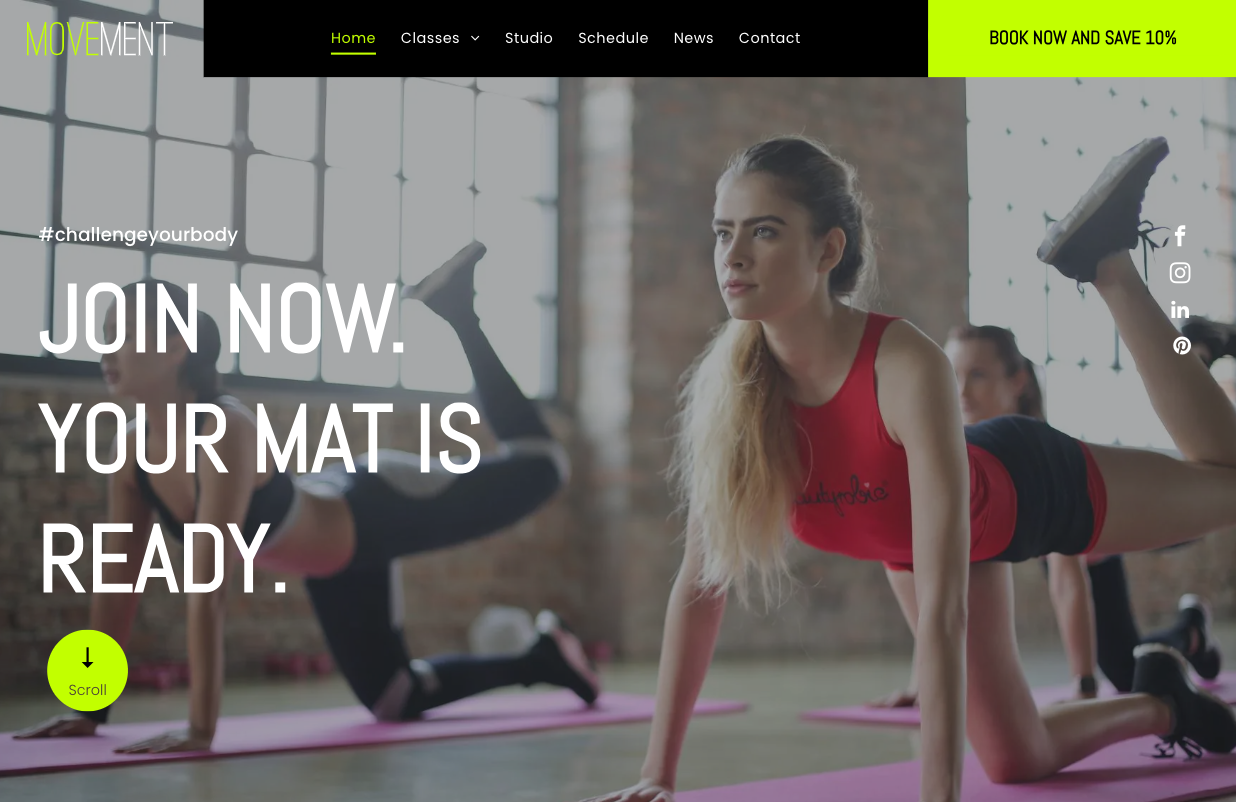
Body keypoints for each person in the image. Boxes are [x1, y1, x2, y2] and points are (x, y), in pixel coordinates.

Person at [580, 135, 1236, 802]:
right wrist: (656, 775)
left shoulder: (902, 363)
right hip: (912, 549)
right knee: (1016, 759)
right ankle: (1166, 701)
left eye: (765, 231)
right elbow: (699, 590)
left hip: (1025, 488)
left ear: (827, 249)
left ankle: (1110, 268)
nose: (734, 256)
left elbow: (944, 614)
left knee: (1229, 483)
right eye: (723, 233)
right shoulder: (735, 396)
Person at [14, 242, 600, 753]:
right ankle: (543, 659)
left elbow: (208, 586)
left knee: (544, 467)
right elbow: (119, 581)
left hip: (375, 506)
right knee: (396, 699)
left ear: (176, 345)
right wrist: (87, 708)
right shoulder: (134, 450)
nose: (104, 353)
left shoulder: (223, 427)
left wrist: (200, 728)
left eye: (122, 335)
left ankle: (458, 313)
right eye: (103, 337)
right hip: (334, 564)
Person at [867, 324, 1221, 708]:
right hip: (1067, 539)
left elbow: (1068, 582)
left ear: (1017, 381)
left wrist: (1084, 685)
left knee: (1123, 675)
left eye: (978, 375)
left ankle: (1191, 629)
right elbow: (937, 584)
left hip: (1126, 519)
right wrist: (923, 683)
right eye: (954, 376)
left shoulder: (1032, 453)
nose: (962, 391)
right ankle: (1193, 629)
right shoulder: (959, 454)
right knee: (1127, 666)